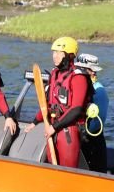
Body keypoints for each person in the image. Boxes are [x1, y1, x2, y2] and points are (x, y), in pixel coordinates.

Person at [25, 36, 93, 168]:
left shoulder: (79, 77)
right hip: (54, 129)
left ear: (68, 55)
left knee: (67, 170)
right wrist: (34, 122)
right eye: (53, 52)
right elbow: (49, 105)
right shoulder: (54, 73)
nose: (54, 56)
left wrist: (54, 127)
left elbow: (77, 109)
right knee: (52, 166)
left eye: (58, 53)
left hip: (69, 131)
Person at [74, 53, 108, 173]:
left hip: (92, 144)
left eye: (94, 71)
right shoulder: (77, 86)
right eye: (90, 70)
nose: (94, 73)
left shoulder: (99, 92)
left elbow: (95, 126)